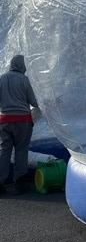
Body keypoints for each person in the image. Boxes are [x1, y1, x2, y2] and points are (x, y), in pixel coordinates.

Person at [0, 55, 39, 195]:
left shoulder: (2, 79)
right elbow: (34, 101)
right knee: (21, 151)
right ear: (23, 66)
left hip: (4, 121)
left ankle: (1, 182)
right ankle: (20, 182)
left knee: (4, 151)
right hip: (23, 121)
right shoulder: (24, 80)